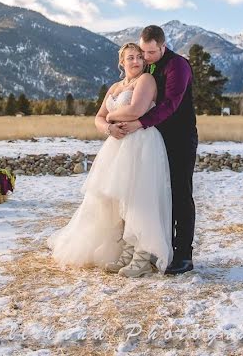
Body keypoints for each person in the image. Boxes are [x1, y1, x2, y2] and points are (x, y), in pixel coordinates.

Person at [46, 43, 173, 278]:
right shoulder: (116, 87)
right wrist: (108, 128)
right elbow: (98, 117)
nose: (135, 61)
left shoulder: (146, 80)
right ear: (121, 62)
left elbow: (136, 111)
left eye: (138, 57)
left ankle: (142, 258)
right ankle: (127, 252)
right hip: (117, 145)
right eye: (130, 58)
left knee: (140, 198)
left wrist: (111, 116)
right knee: (120, 200)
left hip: (141, 142)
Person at [111, 25, 198, 275]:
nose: (145, 57)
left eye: (150, 52)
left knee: (181, 195)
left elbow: (170, 104)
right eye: (143, 52)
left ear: (163, 46)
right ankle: (160, 250)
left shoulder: (178, 66)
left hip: (180, 139)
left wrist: (139, 122)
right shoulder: (148, 66)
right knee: (157, 195)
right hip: (154, 139)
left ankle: (183, 255)